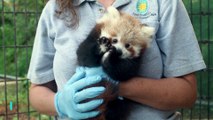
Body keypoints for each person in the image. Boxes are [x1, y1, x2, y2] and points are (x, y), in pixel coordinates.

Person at [28, 0, 206, 119]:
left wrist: (119, 87)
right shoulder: (56, 7)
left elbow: (187, 94)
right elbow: (37, 91)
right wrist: (60, 103)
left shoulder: (163, 3)